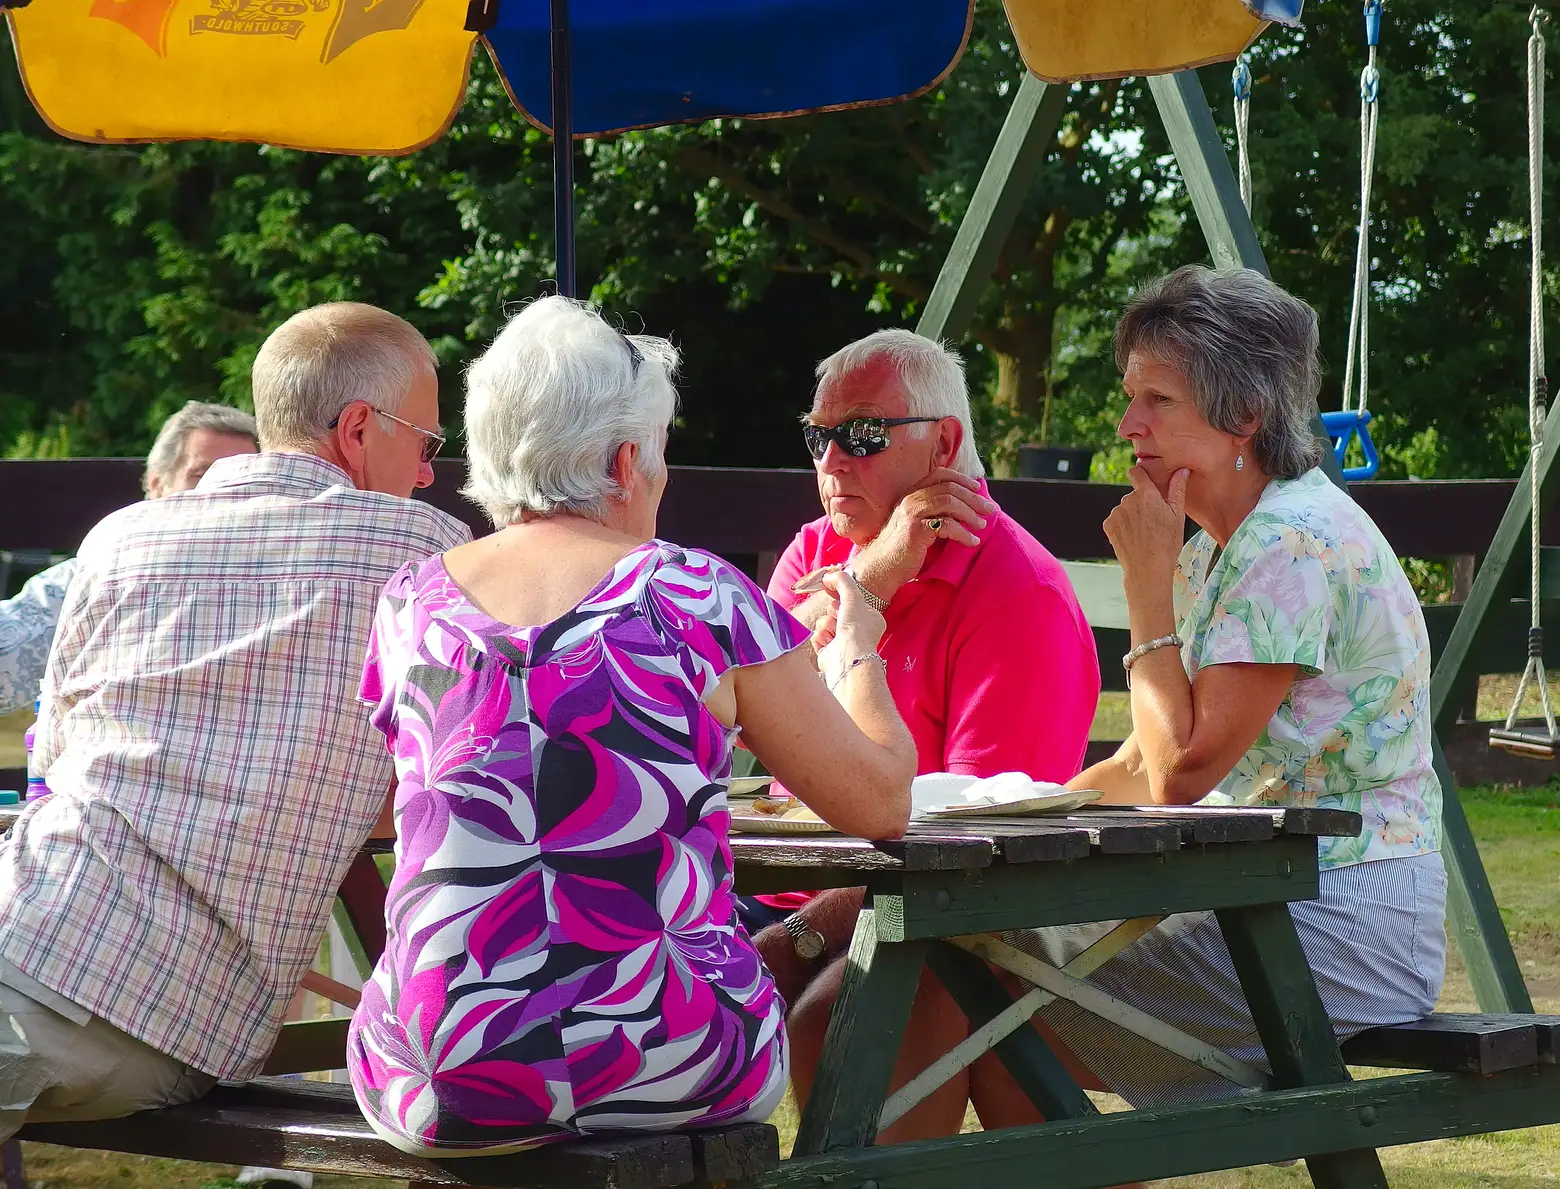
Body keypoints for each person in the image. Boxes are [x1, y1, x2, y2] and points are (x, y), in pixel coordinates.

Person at [346, 297, 916, 1156]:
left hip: (438, 1071)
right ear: (623, 462)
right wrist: (863, 635)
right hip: (670, 1054)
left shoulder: (410, 604)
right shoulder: (697, 595)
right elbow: (881, 803)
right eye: (658, 455)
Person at [958, 265, 1446, 1141]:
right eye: (1130, 395)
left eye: (1159, 400)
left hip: (1344, 921)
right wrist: (1013, 811)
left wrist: (1144, 584)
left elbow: (1182, 769)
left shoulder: (1290, 544)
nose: (1127, 424)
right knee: (984, 1002)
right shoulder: (1225, 546)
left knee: (991, 1016)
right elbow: (1142, 760)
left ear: (1244, 418)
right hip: (1262, 896)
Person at [0, 302, 469, 1140]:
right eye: (428, 442)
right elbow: (439, 780)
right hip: (157, 1014)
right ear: (359, 427)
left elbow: (57, 751)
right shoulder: (421, 553)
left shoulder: (118, 538)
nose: (432, 471)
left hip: (46, 947)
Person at [747, 329, 1100, 1141]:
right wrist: (872, 578)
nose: (832, 461)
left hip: (942, 919)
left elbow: (976, 845)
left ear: (944, 443)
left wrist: (799, 935)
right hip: (782, 893)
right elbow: (747, 691)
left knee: (831, 1018)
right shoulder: (824, 549)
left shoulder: (1019, 594)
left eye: (862, 436)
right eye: (817, 435)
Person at [0, 400, 258, 717]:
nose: (223, 494)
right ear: (156, 485)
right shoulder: (100, 574)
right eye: (201, 476)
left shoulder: (295, 581)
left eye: (244, 480)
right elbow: (10, 652)